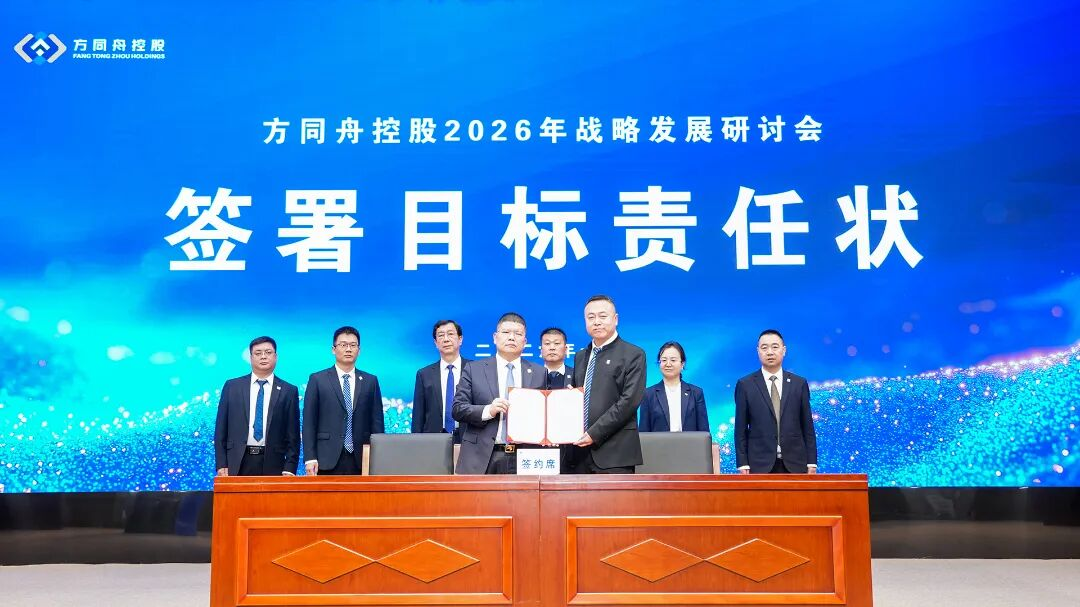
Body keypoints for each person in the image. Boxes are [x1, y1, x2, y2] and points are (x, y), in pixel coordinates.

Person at [452, 312, 546, 474]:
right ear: (495, 338)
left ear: (525, 342)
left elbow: (544, 413)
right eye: (506, 332)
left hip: (524, 456)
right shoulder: (474, 369)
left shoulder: (539, 372)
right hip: (481, 457)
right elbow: (458, 409)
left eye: (518, 334)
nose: (511, 338)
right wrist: (488, 410)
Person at [565, 295, 646, 474]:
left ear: (615, 319)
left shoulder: (633, 354)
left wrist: (594, 433)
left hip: (615, 453)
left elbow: (629, 402)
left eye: (603, 316)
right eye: (591, 317)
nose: (597, 322)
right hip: (579, 452)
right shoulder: (580, 356)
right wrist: (571, 398)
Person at [302, 326, 384, 475]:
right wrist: (310, 457)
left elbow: (377, 423)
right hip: (326, 457)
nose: (348, 349)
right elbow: (309, 422)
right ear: (333, 349)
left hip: (361, 458)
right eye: (343, 345)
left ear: (359, 350)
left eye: (353, 345)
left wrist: (378, 457)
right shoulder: (318, 379)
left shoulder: (370, 381)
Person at [733, 329, 817, 474]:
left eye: (775, 347)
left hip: (796, 463)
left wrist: (812, 461)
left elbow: (807, 426)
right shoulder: (745, 385)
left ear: (784, 350)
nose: (770, 352)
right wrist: (742, 463)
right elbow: (740, 429)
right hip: (759, 464)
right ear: (758, 351)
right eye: (764, 348)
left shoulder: (799, 383)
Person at [214, 336, 300, 476]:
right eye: (258, 353)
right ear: (251, 357)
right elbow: (221, 429)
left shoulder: (288, 390)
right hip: (237, 461)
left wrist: (290, 467)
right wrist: (221, 463)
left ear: (276, 357)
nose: (263, 357)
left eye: (268, 352)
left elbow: (293, 434)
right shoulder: (232, 387)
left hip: (274, 462)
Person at [411, 319, 470, 439]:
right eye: (441, 335)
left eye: (450, 334)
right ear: (436, 343)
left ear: (460, 339)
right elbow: (418, 416)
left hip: (468, 438)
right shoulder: (424, 374)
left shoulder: (474, 369)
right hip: (433, 440)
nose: (446, 339)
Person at [638, 341, 710, 433]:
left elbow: (704, 432)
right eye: (664, 360)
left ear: (682, 364)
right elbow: (644, 432)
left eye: (673, 360)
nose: (668, 364)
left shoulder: (696, 393)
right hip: (660, 443)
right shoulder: (648, 394)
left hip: (689, 442)